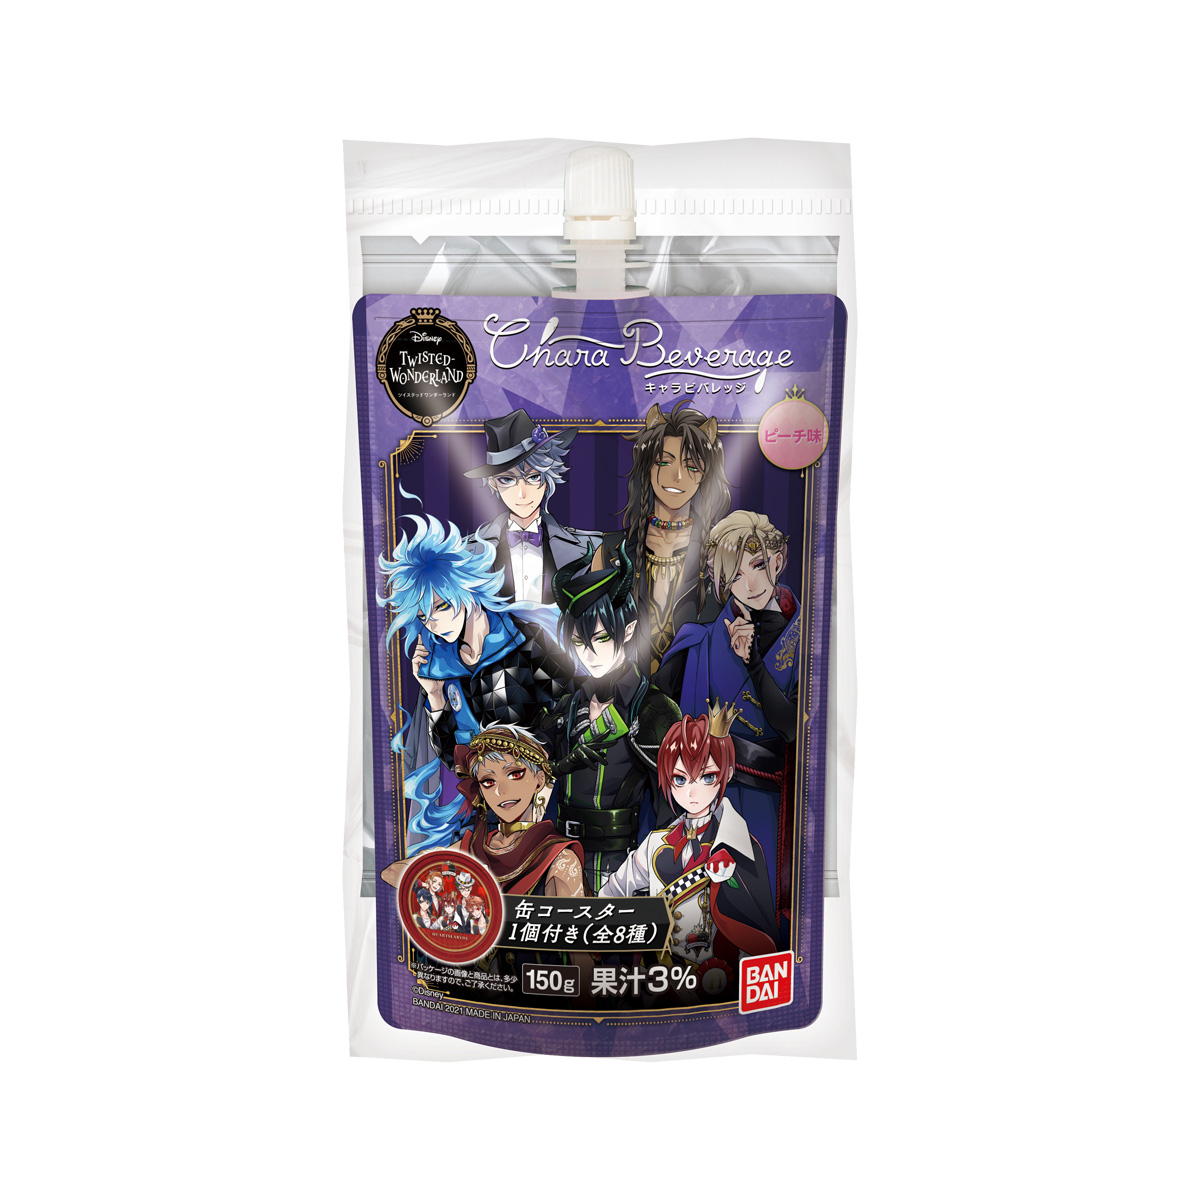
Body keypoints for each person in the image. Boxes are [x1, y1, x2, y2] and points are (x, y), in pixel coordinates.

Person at [378, 508, 577, 855]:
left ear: (466, 592)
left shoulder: (522, 636)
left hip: (541, 803)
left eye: (441, 607)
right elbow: (452, 758)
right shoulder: (440, 665)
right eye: (423, 615)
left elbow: (568, 709)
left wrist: (539, 774)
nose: (433, 623)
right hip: (483, 810)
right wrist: (434, 696)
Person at [655, 511, 800, 914]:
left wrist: (754, 664)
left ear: (779, 560)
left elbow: (792, 728)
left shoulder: (805, 636)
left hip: (769, 798)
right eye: (735, 575)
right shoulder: (697, 642)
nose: (750, 585)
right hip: (705, 795)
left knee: (757, 907)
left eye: (758, 565)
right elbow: (663, 721)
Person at [599, 707, 781, 983]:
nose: (692, 792)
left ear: (727, 773)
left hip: (719, 977)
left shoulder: (739, 845)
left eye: (707, 777)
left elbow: (755, 927)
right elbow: (611, 895)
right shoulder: (655, 845)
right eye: (680, 779)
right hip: (661, 977)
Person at [541, 540, 681, 894]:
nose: (588, 654)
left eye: (601, 639)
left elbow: (672, 809)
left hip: (622, 869)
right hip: (559, 863)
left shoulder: (653, 709)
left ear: (628, 630)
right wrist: (559, 767)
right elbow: (532, 780)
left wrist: (652, 877)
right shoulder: (566, 708)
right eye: (578, 643)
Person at [591, 401, 730, 672]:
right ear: (648, 467)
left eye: (692, 466)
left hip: (695, 690)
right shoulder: (611, 551)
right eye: (664, 461)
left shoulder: (719, 552)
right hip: (624, 690)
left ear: (705, 474)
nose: (677, 476)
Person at [465, 409, 600, 604]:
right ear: (493, 483)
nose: (522, 494)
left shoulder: (590, 547)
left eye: (533, 477)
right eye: (507, 480)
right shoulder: (466, 552)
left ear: (547, 477)